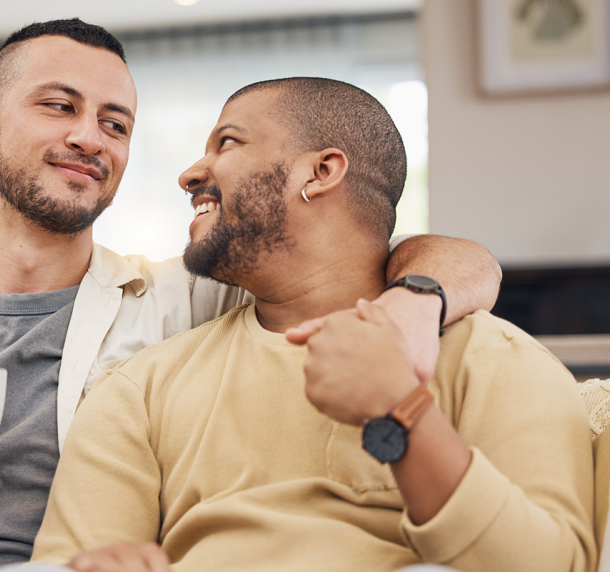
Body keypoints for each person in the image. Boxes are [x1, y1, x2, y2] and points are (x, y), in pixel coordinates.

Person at [0, 20, 501, 572]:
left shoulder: (192, 298)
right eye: (59, 106)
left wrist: (414, 302)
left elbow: (440, 259)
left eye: (115, 123)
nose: (92, 138)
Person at [31, 78, 596, 572]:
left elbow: (552, 564)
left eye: (228, 142)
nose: (190, 174)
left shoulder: (492, 356)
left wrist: (403, 411)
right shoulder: (139, 389)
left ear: (322, 172)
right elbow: (70, 563)